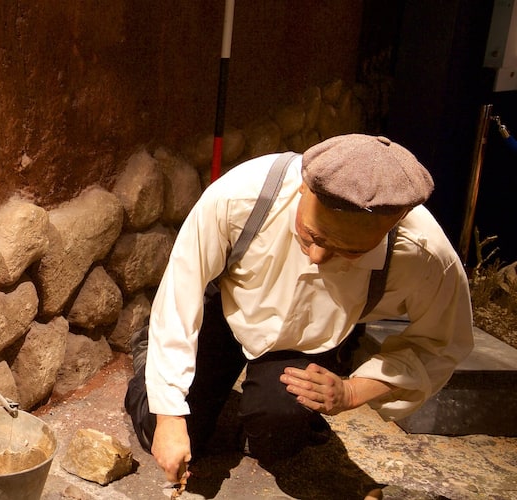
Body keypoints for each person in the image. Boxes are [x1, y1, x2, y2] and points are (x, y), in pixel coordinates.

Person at [124, 134, 474, 484]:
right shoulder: (241, 195)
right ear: (304, 187)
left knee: (279, 436)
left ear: (394, 224)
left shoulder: (425, 253)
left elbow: (443, 343)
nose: (318, 257)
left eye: (349, 251)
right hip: (231, 306)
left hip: (308, 338)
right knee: (162, 427)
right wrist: (170, 415)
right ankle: (148, 353)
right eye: (312, 236)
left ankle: (259, 421)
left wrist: (353, 391)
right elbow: (179, 295)